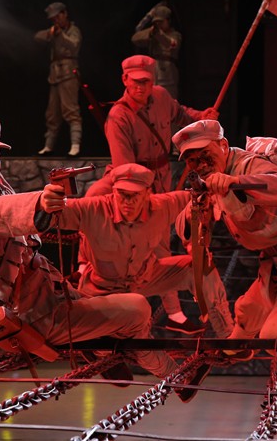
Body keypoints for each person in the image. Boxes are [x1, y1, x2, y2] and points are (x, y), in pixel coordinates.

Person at [0, 118, 208, 401]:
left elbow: (1, 205)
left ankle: (128, 360)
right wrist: (38, 202)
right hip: (29, 317)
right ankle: (135, 363)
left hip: (50, 295)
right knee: (136, 309)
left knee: (121, 315)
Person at [172, 120, 277, 370]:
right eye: (193, 161)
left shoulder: (247, 164)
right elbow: (183, 229)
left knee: (276, 336)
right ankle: (235, 350)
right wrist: (194, 210)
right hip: (274, 271)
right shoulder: (210, 181)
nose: (201, 164)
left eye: (205, 154)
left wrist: (234, 183)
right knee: (246, 314)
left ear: (223, 145)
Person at [84, 55, 218, 335]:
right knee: (96, 202)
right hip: (131, 184)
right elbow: (124, 169)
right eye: (135, 81)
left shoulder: (161, 97)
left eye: (145, 81)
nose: (140, 87)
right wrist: (146, 197)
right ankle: (84, 267)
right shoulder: (119, 117)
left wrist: (201, 117)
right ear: (125, 80)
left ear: (153, 80)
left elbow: (181, 114)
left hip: (161, 177)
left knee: (162, 242)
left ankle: (176, 314)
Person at [54, 162, 234, 338]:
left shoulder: (162, 206)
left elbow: (201, 197)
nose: (128, 201)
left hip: (144, 277)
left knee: (200, 266)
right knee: (123, 341)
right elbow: (53, 210)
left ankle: (228, 337)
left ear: (148, 193)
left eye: (135, 195)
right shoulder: (94, 208)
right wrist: (47, 197)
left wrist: (215, 187)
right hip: (102, 288)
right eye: (122, 194)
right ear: (114, 191)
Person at [34, 1, 83, 157]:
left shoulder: (73, 31)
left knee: (71, 110)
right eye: (53, 19)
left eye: (57, 17)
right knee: (52, 113)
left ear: (64, 14)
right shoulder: (54, 31)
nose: (56, 20)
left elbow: (74, 46)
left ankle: (75, 145)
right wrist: (51, 33)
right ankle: (48, 146)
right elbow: (38, 37)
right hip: (55, 75)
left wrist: (60, 34)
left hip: (69, 74)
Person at [131, 5, 183, 98]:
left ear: (168, 21)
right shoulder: (153, 33)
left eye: (161, 22)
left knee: (168, 97)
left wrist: (159, 34)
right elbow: (135, 38)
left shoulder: (175, 35)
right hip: (154, 70)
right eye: (156, 22)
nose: (159, 24)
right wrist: (150, 32)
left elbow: (171, 44)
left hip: (168, 71)